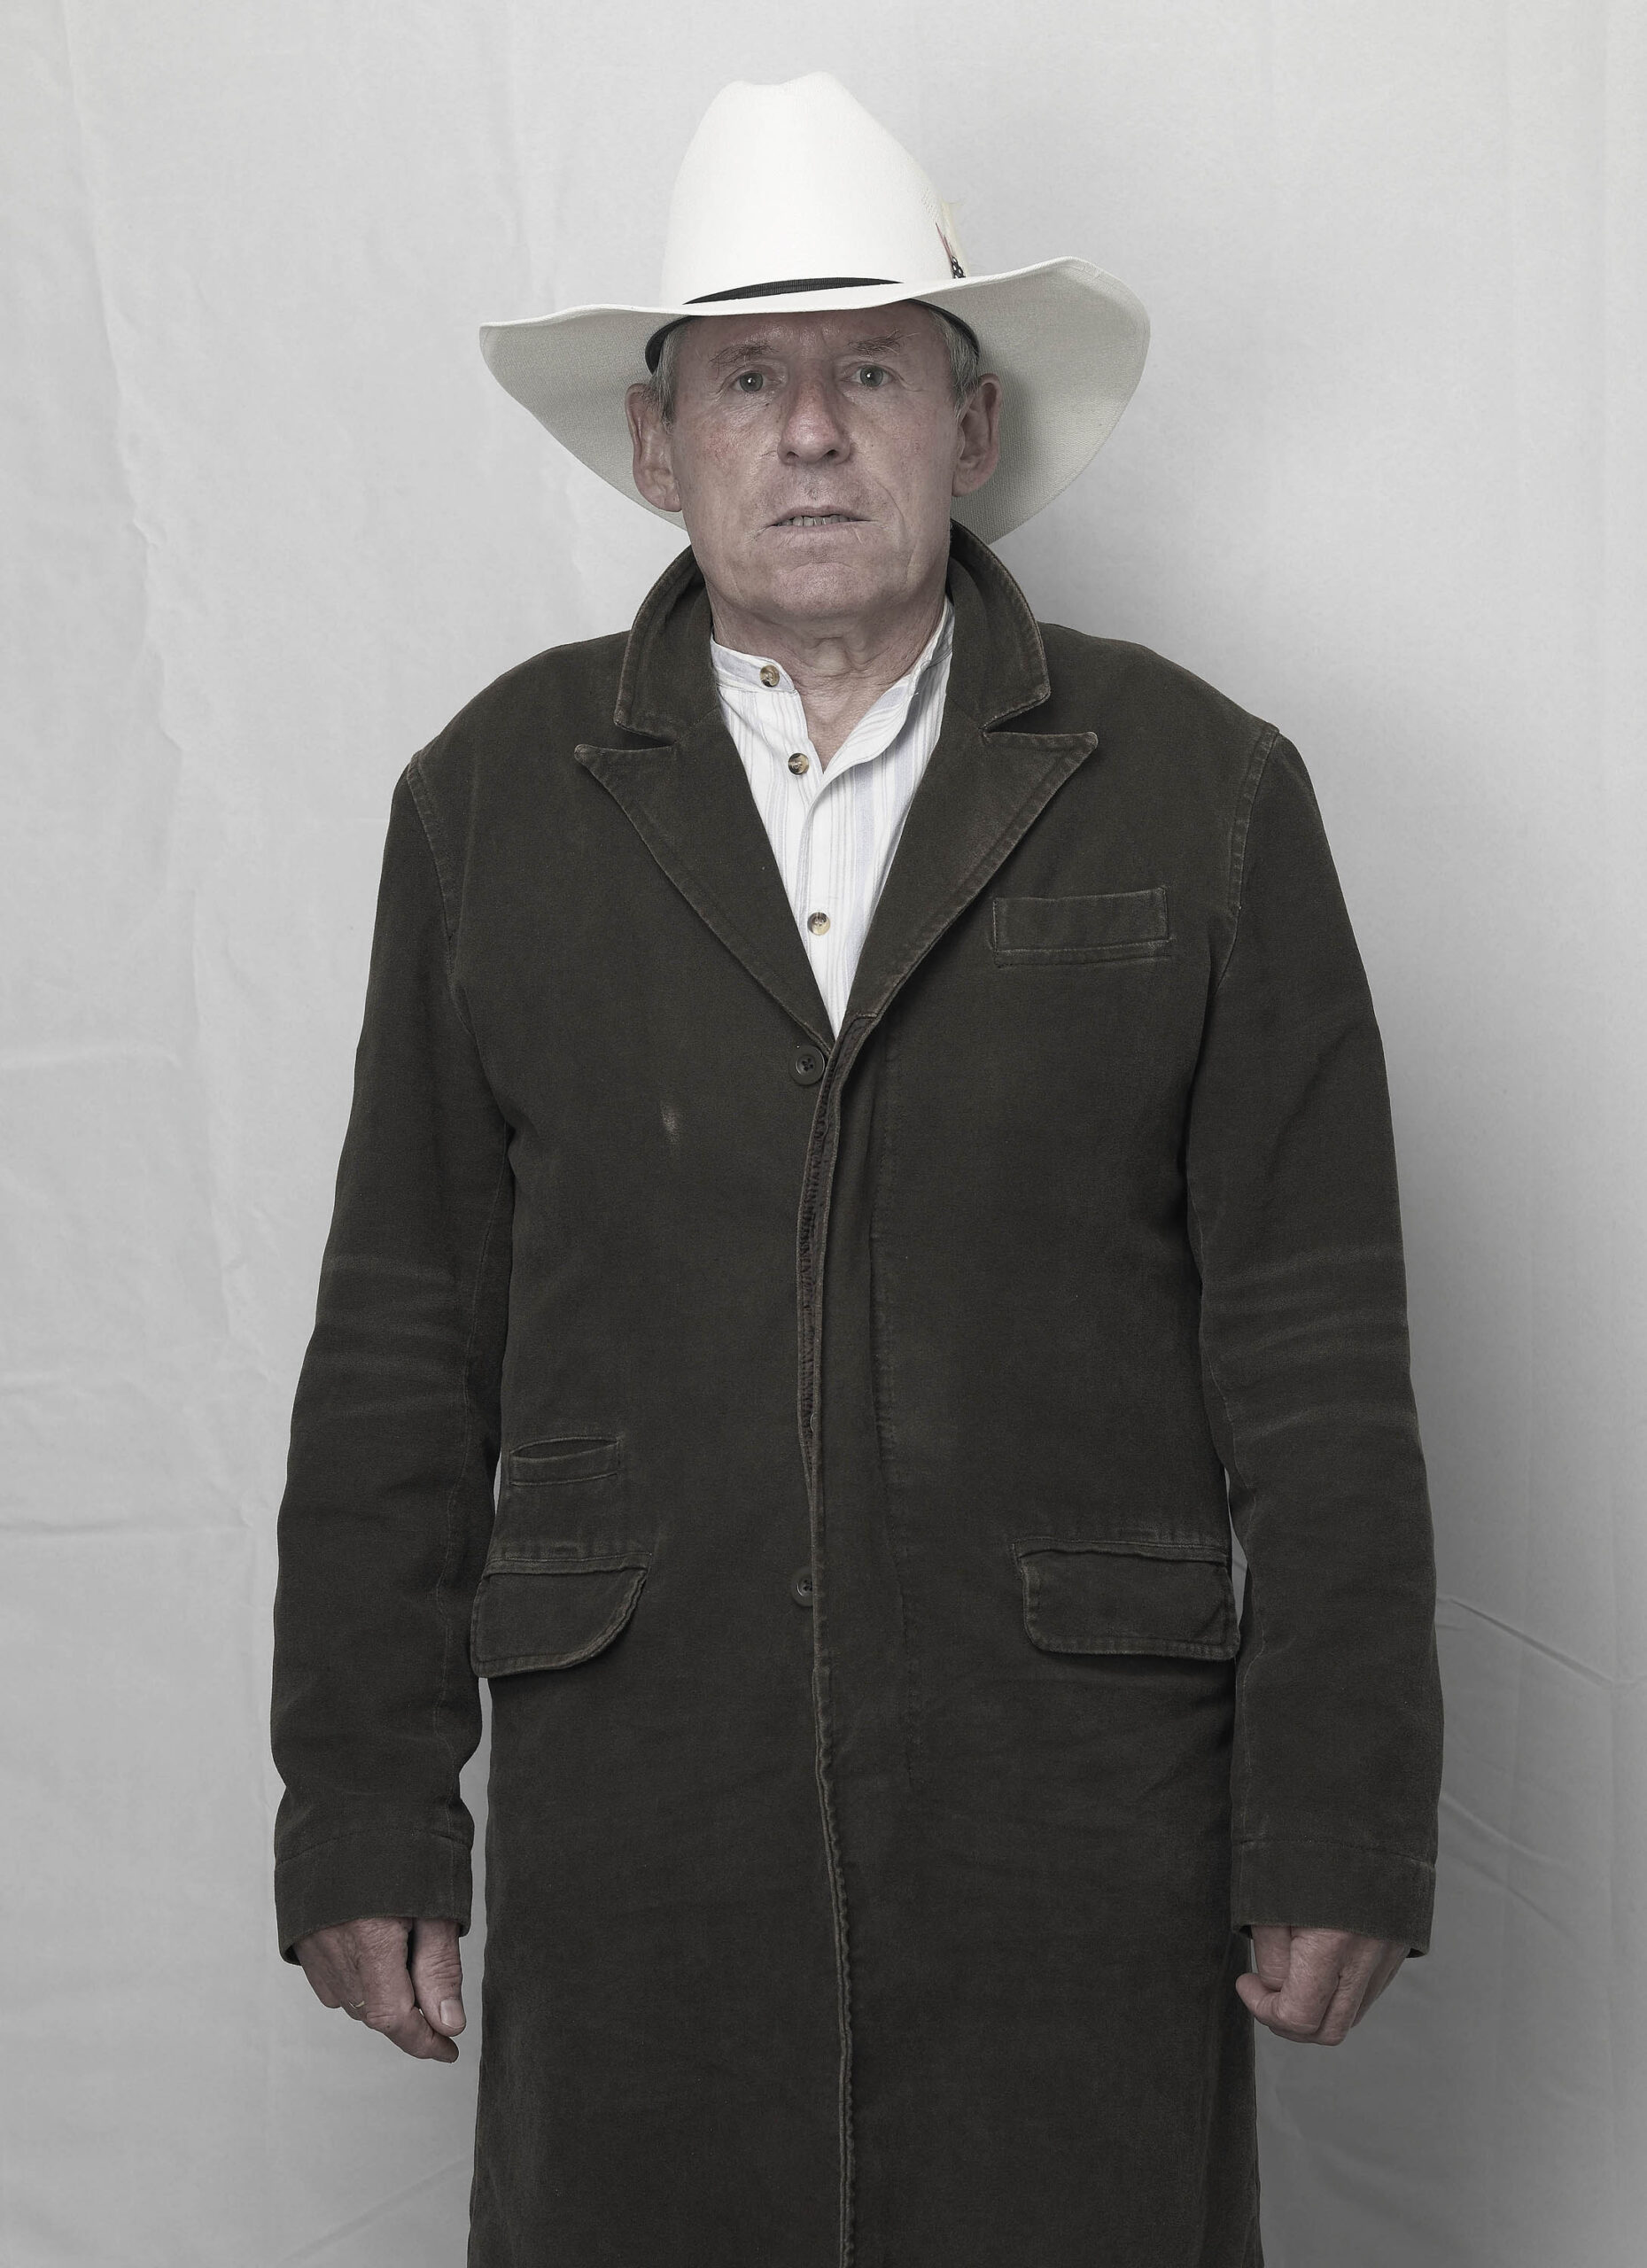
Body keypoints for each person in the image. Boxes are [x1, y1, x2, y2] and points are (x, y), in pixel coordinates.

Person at [271, 71, 1444, 2268]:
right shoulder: (491, 806)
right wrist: (359, 1798)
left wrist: (1346, 1809)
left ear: (969, 427)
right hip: (648, 1815)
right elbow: (404, 1343)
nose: (811, 434)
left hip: (1076, 1816)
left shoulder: (1202, 790)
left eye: (871, 371)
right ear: (658, 444)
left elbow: (1315, 1348)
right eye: (747, 378)